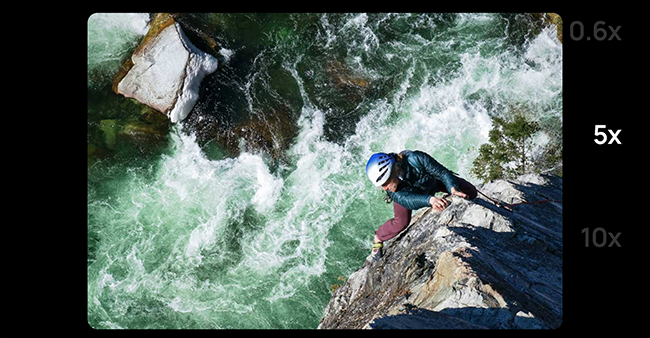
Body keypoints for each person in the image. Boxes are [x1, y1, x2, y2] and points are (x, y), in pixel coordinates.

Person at [365, 150, 478, 260]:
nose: (385, 189)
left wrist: (453, 188)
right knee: (401, 222)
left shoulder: (416, 159)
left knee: (471, 192)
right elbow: (408, 201)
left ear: (393, 172)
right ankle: (378, 237)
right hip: (411, 194)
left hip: (433, 182)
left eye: (385, 183)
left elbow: (442, 173)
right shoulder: (394, 192)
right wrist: (430, 200)